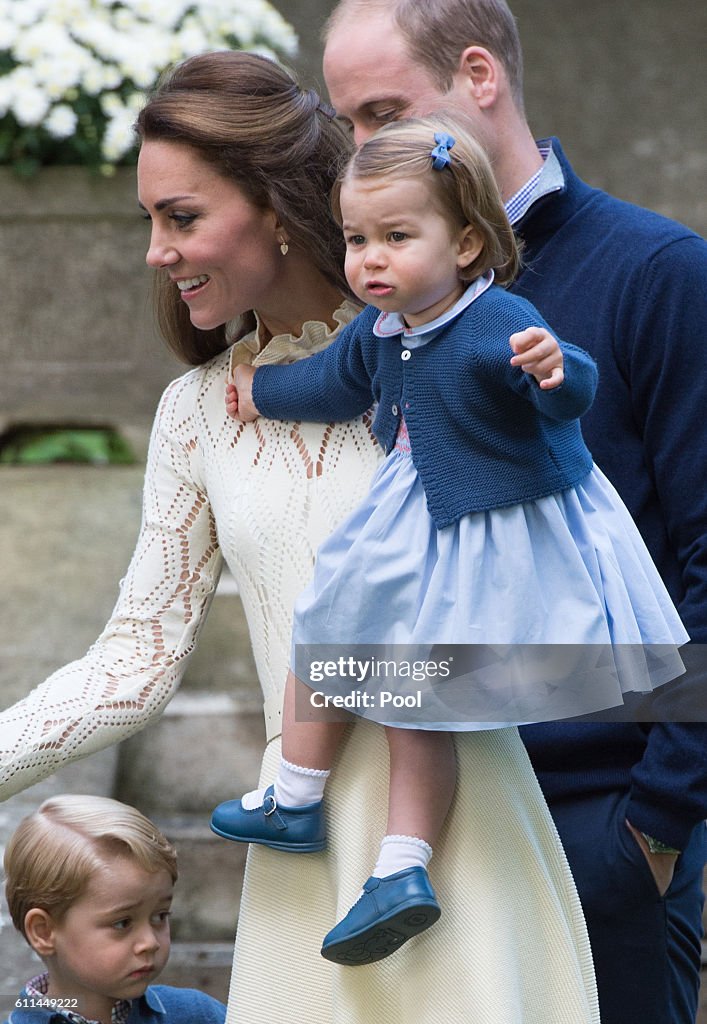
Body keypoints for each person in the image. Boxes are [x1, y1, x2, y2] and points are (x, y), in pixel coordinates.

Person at [0, 51, 602, 1024]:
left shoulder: (445, 348)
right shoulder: (196, 412)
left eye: (180, 216)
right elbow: (135, 659)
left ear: (275, 211)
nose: (156, 249)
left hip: (464, 823)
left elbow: (558, 549)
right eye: (148, 220)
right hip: (303, 841)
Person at [212, 115, 689, 968]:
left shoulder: (492, 319)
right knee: (338, 635)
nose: (371, 260)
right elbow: (334, 381)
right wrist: (264, 392)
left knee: (409, 686)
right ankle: (320, 812)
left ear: (466, 242)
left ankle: (385, 854)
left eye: (397, 237)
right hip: (420, 514)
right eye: (357, 239)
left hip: (492, 528)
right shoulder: (380, 330)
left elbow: (563, 389)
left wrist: (554, 368)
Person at [320, 2, 707, 1022]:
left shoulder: (656, 271)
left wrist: (656, 822)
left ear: (478, 76)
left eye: (380, 111)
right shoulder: (379, 292)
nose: (362, 150)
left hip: (597, 814)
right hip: (417, 820)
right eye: (346, 125)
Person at [2, 794, 226, 1024]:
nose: (150, 943)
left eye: (160, 916)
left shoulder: (198, 1015)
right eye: (122, 923)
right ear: (43, 932)